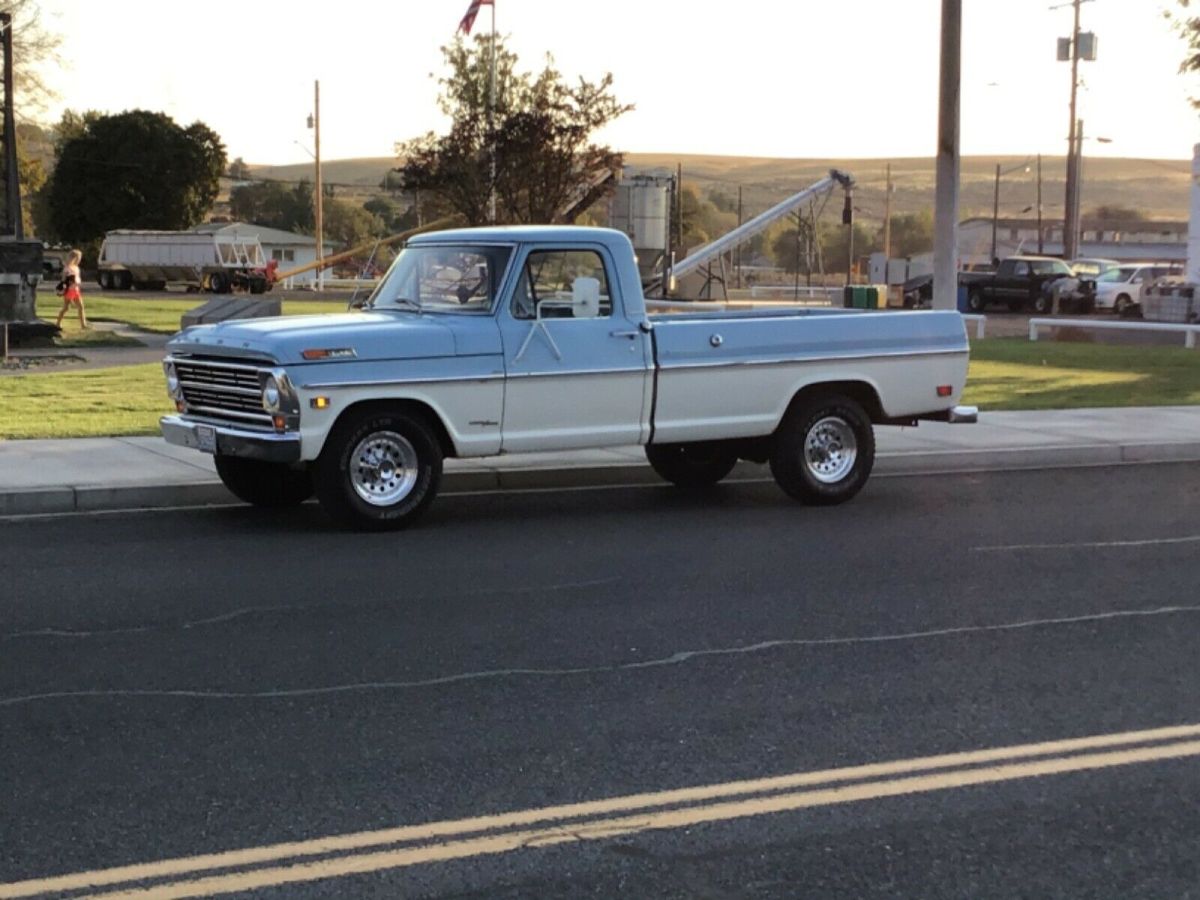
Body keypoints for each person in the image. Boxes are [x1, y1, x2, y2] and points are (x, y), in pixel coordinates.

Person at [55, 249, 88, 330]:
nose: (79, 260)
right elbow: (63, 280)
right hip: (69, 290)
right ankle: (58, 323)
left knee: (81, 307)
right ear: (74, 258)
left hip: (76, 290)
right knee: (66, 308)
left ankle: (83, 325)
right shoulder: (67, 268)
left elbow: (77, 278)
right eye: (78, 258)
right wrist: (62, 288)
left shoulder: (76, 268)